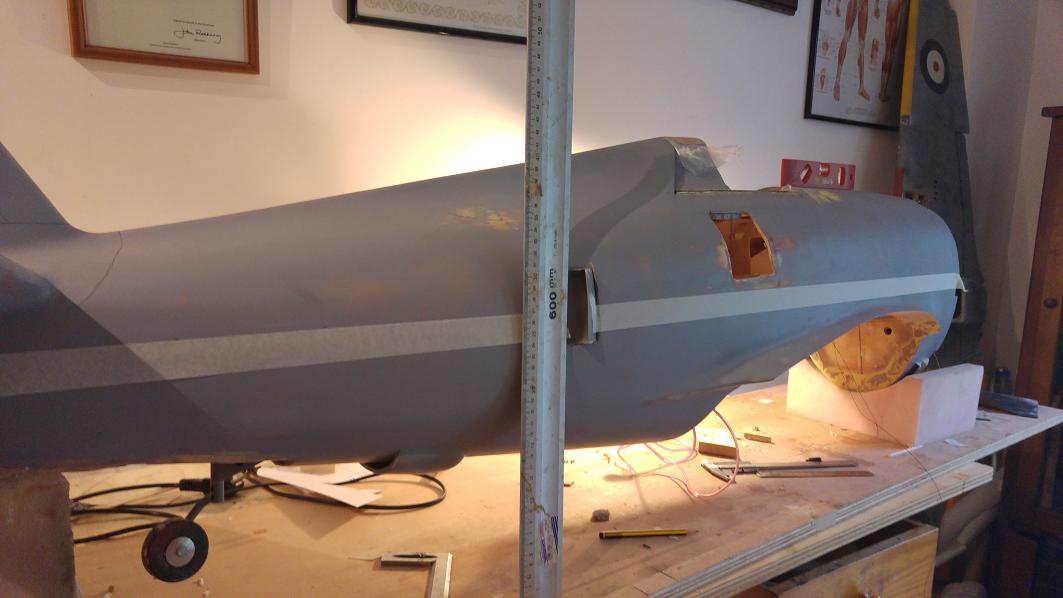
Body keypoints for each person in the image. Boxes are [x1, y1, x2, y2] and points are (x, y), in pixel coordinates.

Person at [833, 0, 870, 102]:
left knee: (862, 44)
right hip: (854, 1)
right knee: (847, 36)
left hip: (865, 3)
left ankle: (861, 87)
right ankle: (837, 82)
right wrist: (838, 4)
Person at [878, 0, 907, 101]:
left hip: (887, 25)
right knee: (890, 55)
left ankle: (882, 89)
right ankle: (883, 91)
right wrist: (898, 36)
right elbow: (899, 20)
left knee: (886, 53)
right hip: (894, 26)